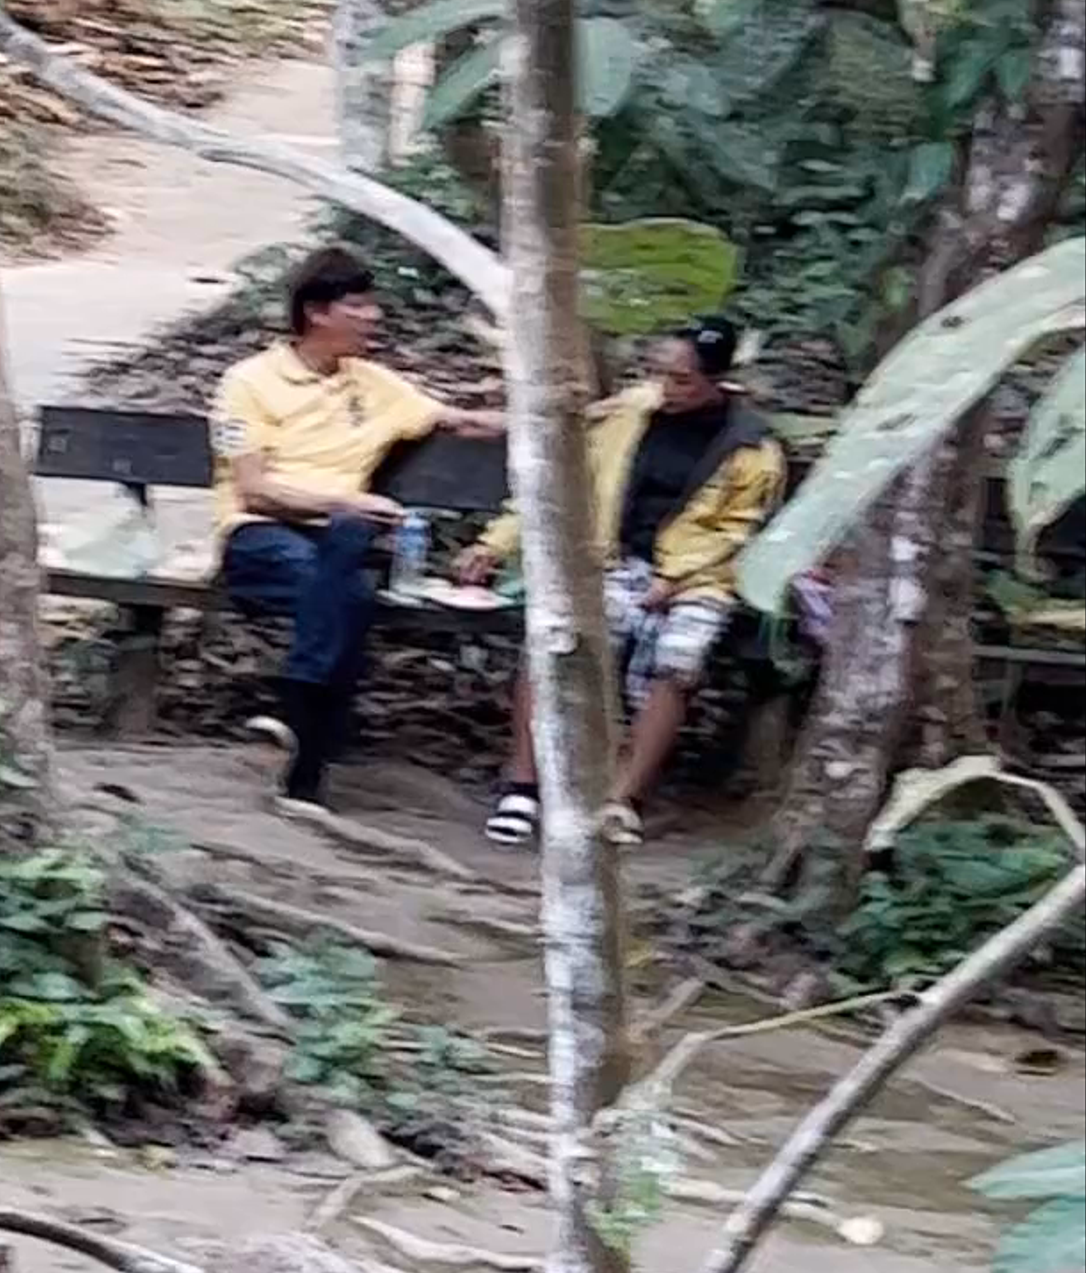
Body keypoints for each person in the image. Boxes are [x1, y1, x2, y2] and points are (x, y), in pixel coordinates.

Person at [481, 315, 789, 843]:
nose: (666, 387)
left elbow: (740, 532)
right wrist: (495, 543)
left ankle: (620, 801)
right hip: (611, 561)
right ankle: (522, 786)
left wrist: (675, 580)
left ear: (717, 381)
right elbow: (556, 481)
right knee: (553, 639)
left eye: (682, 379)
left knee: (678, 661)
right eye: (661, 373)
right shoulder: (626, 415)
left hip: (699, 577)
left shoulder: (754, 448)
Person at [207, 248, 446, 809]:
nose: (374, 316)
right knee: (349, 590)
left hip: (335, 541)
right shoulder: (247, 383)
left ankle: (295, 717)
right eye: (358, 305)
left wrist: (579, 415)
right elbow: (255, 490)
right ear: (317, 312)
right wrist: (348, 501)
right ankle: (309, 762)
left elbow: (459, 420)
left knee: (344, 565)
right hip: (259, 537)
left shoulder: (373, 383)